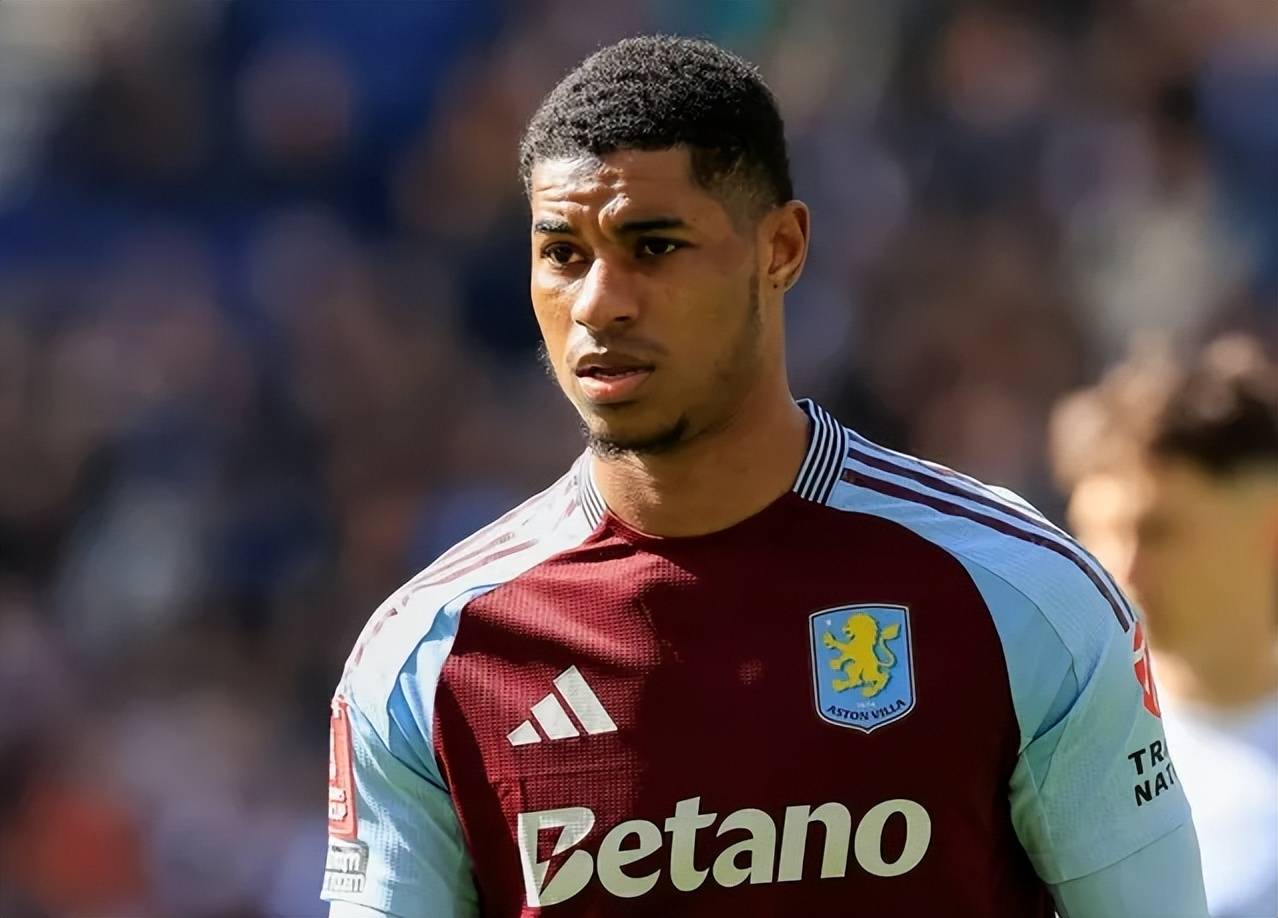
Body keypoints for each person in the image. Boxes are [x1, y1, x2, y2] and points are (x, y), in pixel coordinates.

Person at [322, 36, 1206, 917]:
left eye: (653, 245)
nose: (598, 302)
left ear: (780, 248)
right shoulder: (427, 657)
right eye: (563, 254)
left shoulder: (1019, 594)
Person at [1051, 336, 1278, 917]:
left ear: (1270, 528)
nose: (1122, 569)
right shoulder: (1054, 761)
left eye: (1159, 532)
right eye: (1096, 534)